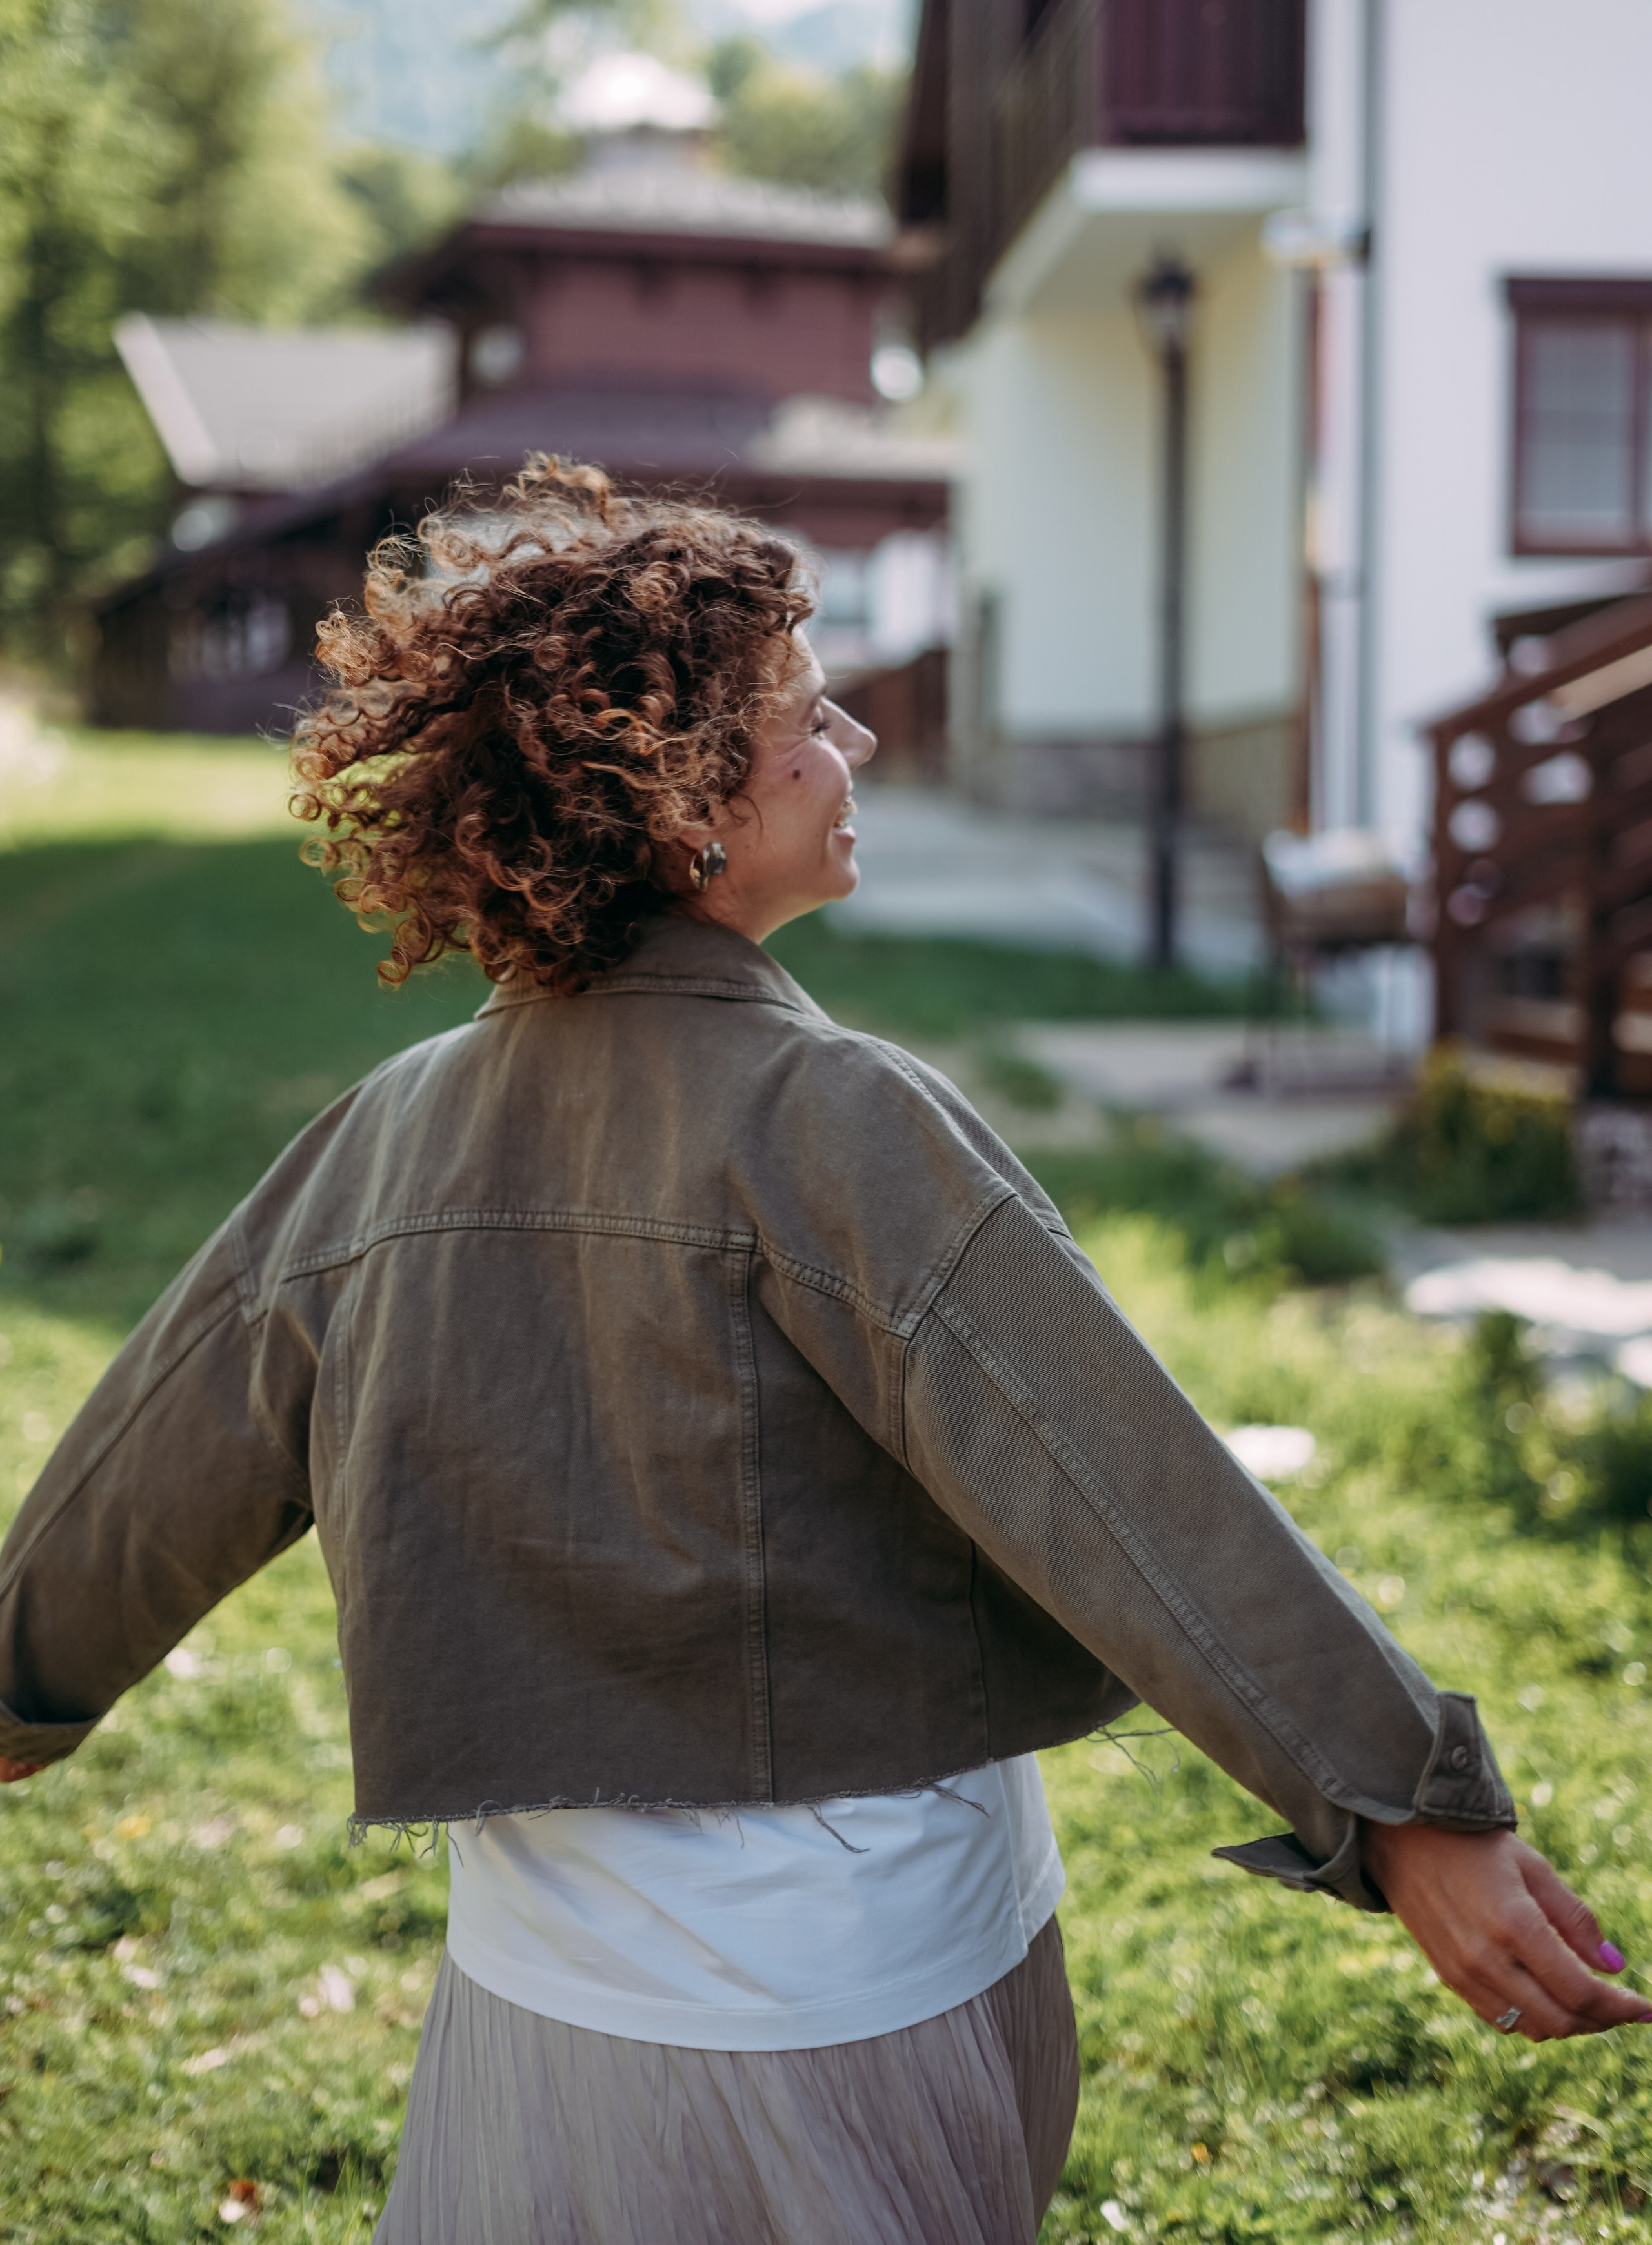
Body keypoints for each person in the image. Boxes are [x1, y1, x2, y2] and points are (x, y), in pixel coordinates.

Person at [0, 458, 1643, 2245]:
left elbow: (150, 1459)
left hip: (536, 2019)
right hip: (856, 2009)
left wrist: (21, 1679)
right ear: (681, 802)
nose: (853, 737)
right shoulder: (836, 1116)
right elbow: (1128, 1487)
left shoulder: (384, 1136)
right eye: (804, 715)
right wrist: (1406, 1804)